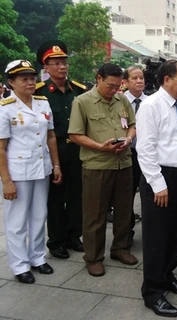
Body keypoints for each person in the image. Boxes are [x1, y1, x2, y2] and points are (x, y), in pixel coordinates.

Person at [136, 60, 177, 318]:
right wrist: (158, 185)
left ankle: (167, 276)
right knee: (157, 237)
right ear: (167, 79)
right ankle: (152, 292)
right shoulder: (151, 105)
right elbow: (145, 149)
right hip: (160, 178)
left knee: (176, 232)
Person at [68, 63, 138, 277]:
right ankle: (94, 257)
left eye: (118, 86)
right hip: (97, 166)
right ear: (98, 78)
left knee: (125, 212)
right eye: (110, 85)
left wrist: (128, 139)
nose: (114, 90)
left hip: (123, 164)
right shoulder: (82, 102)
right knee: (95, 215)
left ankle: (120, 248)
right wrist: (100, 146)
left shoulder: (122, 99)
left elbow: (133, 125)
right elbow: (75, 135)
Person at [0, 60, 62, 283]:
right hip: (18, 171)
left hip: (41, 167)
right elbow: (1, 147)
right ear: (11, 82)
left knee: (39, 215)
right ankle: (19, 265)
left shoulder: (42, 103)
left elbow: (51, 137)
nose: (29, 82)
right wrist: (6, 181)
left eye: (32, 78)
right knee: (17, 220)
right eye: (23, 79)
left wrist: (56, 165)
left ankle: (37, 257)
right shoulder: (6, 108)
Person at [35, 40, 86, 260]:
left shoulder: (80, 91)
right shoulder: (39, 93)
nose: (61, 67)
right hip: (53, 149)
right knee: (55, 198)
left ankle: (75, 235)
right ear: (46, 67)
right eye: (55, 63)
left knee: (77, 195)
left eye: (64, 62)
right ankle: (56, 241)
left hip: (78, 149)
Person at [122, 66, 148, 237]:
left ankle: (149, 230)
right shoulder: (119, 101)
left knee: (147, 193)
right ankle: (126, 231)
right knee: (125, 195)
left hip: (145, 155)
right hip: (126, 153)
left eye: (142, 78)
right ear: (125, 82)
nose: (139, 81)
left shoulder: (151, 101)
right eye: (135, 78)